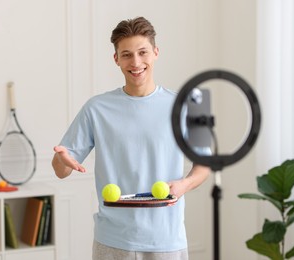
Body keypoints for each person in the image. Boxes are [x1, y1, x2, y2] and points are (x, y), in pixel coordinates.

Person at [52, 16, 211, 260]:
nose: (135, 62)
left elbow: (204, 164)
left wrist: (183, 186)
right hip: (112, 241)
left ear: (156, 52)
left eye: (142, 52)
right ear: (116, 59)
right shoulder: (96, 108)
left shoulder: (187, 104)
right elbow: (61, 170)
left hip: (166, 240)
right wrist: (62, 160)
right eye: (126, 54)